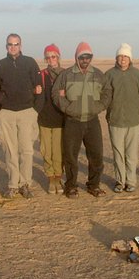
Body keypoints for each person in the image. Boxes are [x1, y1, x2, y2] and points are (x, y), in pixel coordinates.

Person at [52, 42, 112, 199]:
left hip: (92, 121)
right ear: (77, 57)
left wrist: (98, 107)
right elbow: (56, 95)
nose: (85, 59)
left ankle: (94, 185)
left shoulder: (98, 74)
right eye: (82, 56)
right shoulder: (66, 75)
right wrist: (69, 108)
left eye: (88, 56)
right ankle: (71, 186)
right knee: (71, 156)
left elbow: (107, 92)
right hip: (73, 121)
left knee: (96, 155)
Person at [0, 33, 42, 199]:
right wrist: (0, 112)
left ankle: (25, 184)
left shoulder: (30, 63)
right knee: (10, 151)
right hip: (7, 114)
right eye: (10, 44)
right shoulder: (0, 66)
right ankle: (13, 184)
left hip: (27, 112)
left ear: (21, 45)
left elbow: (39, 88)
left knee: (26, 151)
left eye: (16, 44)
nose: (13, 47)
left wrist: (35, 111)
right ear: (6, 46)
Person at [105, 43, 139, 193]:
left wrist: (133, 108)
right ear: (116, 58)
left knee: (131, 154)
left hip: (133, 121)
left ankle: (131, 181)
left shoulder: (137, 74)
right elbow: (105, 95)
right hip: (115, 120)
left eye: (126, 56)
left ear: (130, 58)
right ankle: (120, 181)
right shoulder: (109, 74)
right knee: (118, 154)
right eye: (120, 56)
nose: (123, 59)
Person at [37, 44, 65, 194]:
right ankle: (50, 179)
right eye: (47, 57)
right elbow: (33, 93)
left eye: (53, 56)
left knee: (59, 151)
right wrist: (36, 90)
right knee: (46, 151)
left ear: (58, 57)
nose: (50, 60)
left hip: (61, 119)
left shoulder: (65, 74)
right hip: (44, 119)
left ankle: (58, 179)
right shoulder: (41, 75)